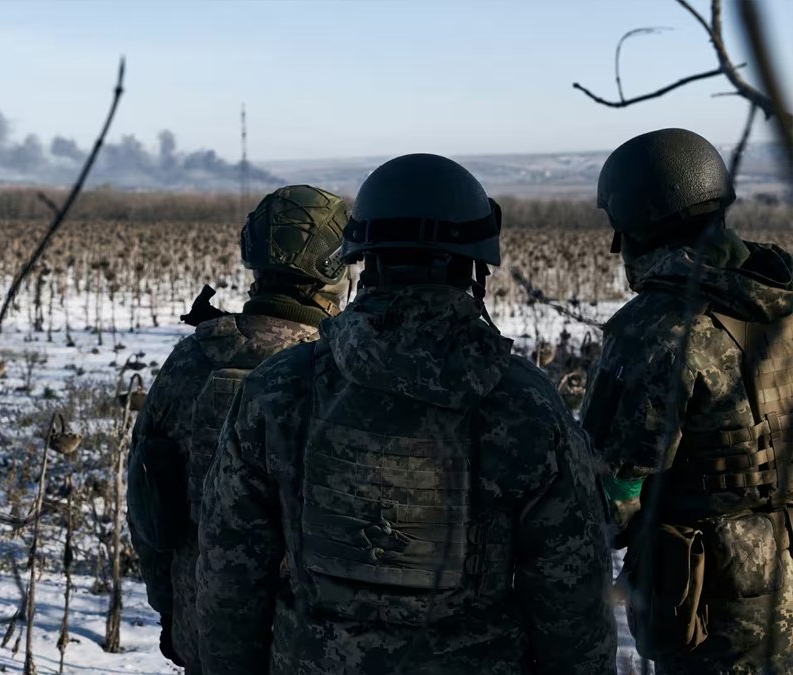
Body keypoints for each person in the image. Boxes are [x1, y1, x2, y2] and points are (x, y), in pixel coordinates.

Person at [197, 153, 616, 675]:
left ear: (360, 257)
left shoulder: (278, 390)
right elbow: (573, 597)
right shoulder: (524, 404)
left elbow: (230, 576)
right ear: (475, 264)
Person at [581, 127, 793, 674]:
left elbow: (608, 490)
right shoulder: (784, 300)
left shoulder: (657, 331)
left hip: (716, 611)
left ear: (634, 225)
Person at [126, 184, 353, 672]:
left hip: (204, 639)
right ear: (335, 269)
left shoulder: (193, 358)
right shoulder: (341, 372)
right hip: (313, 651)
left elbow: (148, 510)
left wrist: (174, 613)